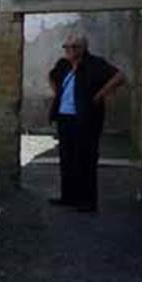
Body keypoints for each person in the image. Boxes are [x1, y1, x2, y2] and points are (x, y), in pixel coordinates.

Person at [47, 34, 125, 212]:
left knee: (86, 159)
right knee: (67, 159)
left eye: (74, 47)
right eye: (67, 47)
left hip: (86, 119)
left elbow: (119, 77)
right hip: (65, 118)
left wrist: (99, 95)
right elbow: (51, 76)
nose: (70, 50)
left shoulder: (95, 64)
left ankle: (88, 202)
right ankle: (68, 197)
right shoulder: (64, 64)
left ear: (83, 48)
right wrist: (57, 94)